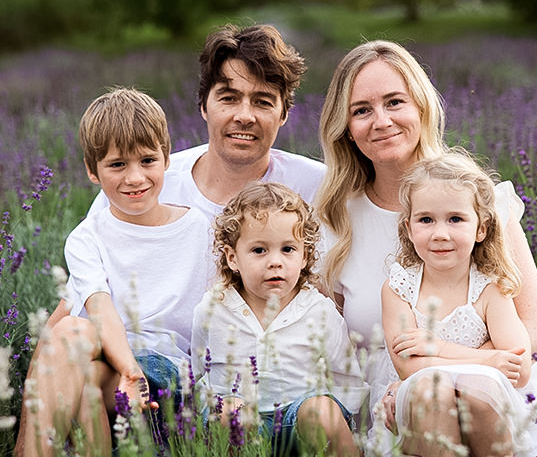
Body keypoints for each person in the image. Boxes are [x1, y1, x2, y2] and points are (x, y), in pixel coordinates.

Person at [15, 23, 326, 454]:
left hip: (197, 379)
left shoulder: (313, 189)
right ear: (203, 105)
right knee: (70, 342)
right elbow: (77, 303)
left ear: (285, 112)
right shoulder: (145, 186)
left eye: (263, 101)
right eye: (229, 97)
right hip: (120, 368)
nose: (244, 115)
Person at [315, 39, 537, 456]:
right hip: (398, 404)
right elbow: (333, 350)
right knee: (429, 403)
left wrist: (452, 363)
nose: (382, 121)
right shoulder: (335, 222)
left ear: (421, 107)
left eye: (395, 102)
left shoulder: (480, 203)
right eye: (361, 110)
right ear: (345, 126)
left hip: (503, 388)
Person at [20, 88, 213, 456]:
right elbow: (100, 309)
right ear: (92, 171)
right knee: (71, 332)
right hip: (115, 364)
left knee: (88, 379)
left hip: (168, 372)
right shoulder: (87, 237)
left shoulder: (199, 229)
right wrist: (128, 370)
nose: (135, 177)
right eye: (117, 165)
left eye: (147, 160)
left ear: (167, 159)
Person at [381, 150, 537, 456]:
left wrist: (440, 349)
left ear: (481, 228)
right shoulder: (399, 288)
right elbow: (408, 366)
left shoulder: (490, 287)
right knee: (433, 390)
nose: (440, 233)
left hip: (492, 405)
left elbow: (519, 368)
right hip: (427, 405)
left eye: (456, 219)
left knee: (478, 388)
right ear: (408, 228)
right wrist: (487, 359)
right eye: (425, 219)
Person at [191, 182, 368, 456]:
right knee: (232, 415)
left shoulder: (318, 311)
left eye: (287, 249)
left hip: (298, 419)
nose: (275, 262)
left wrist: (334, 417)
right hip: (242, 422)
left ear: (305, 256)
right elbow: (199, 372)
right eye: (259, 250)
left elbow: (346, 378)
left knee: (321, 410)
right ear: (232, 258)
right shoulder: (213, 309)